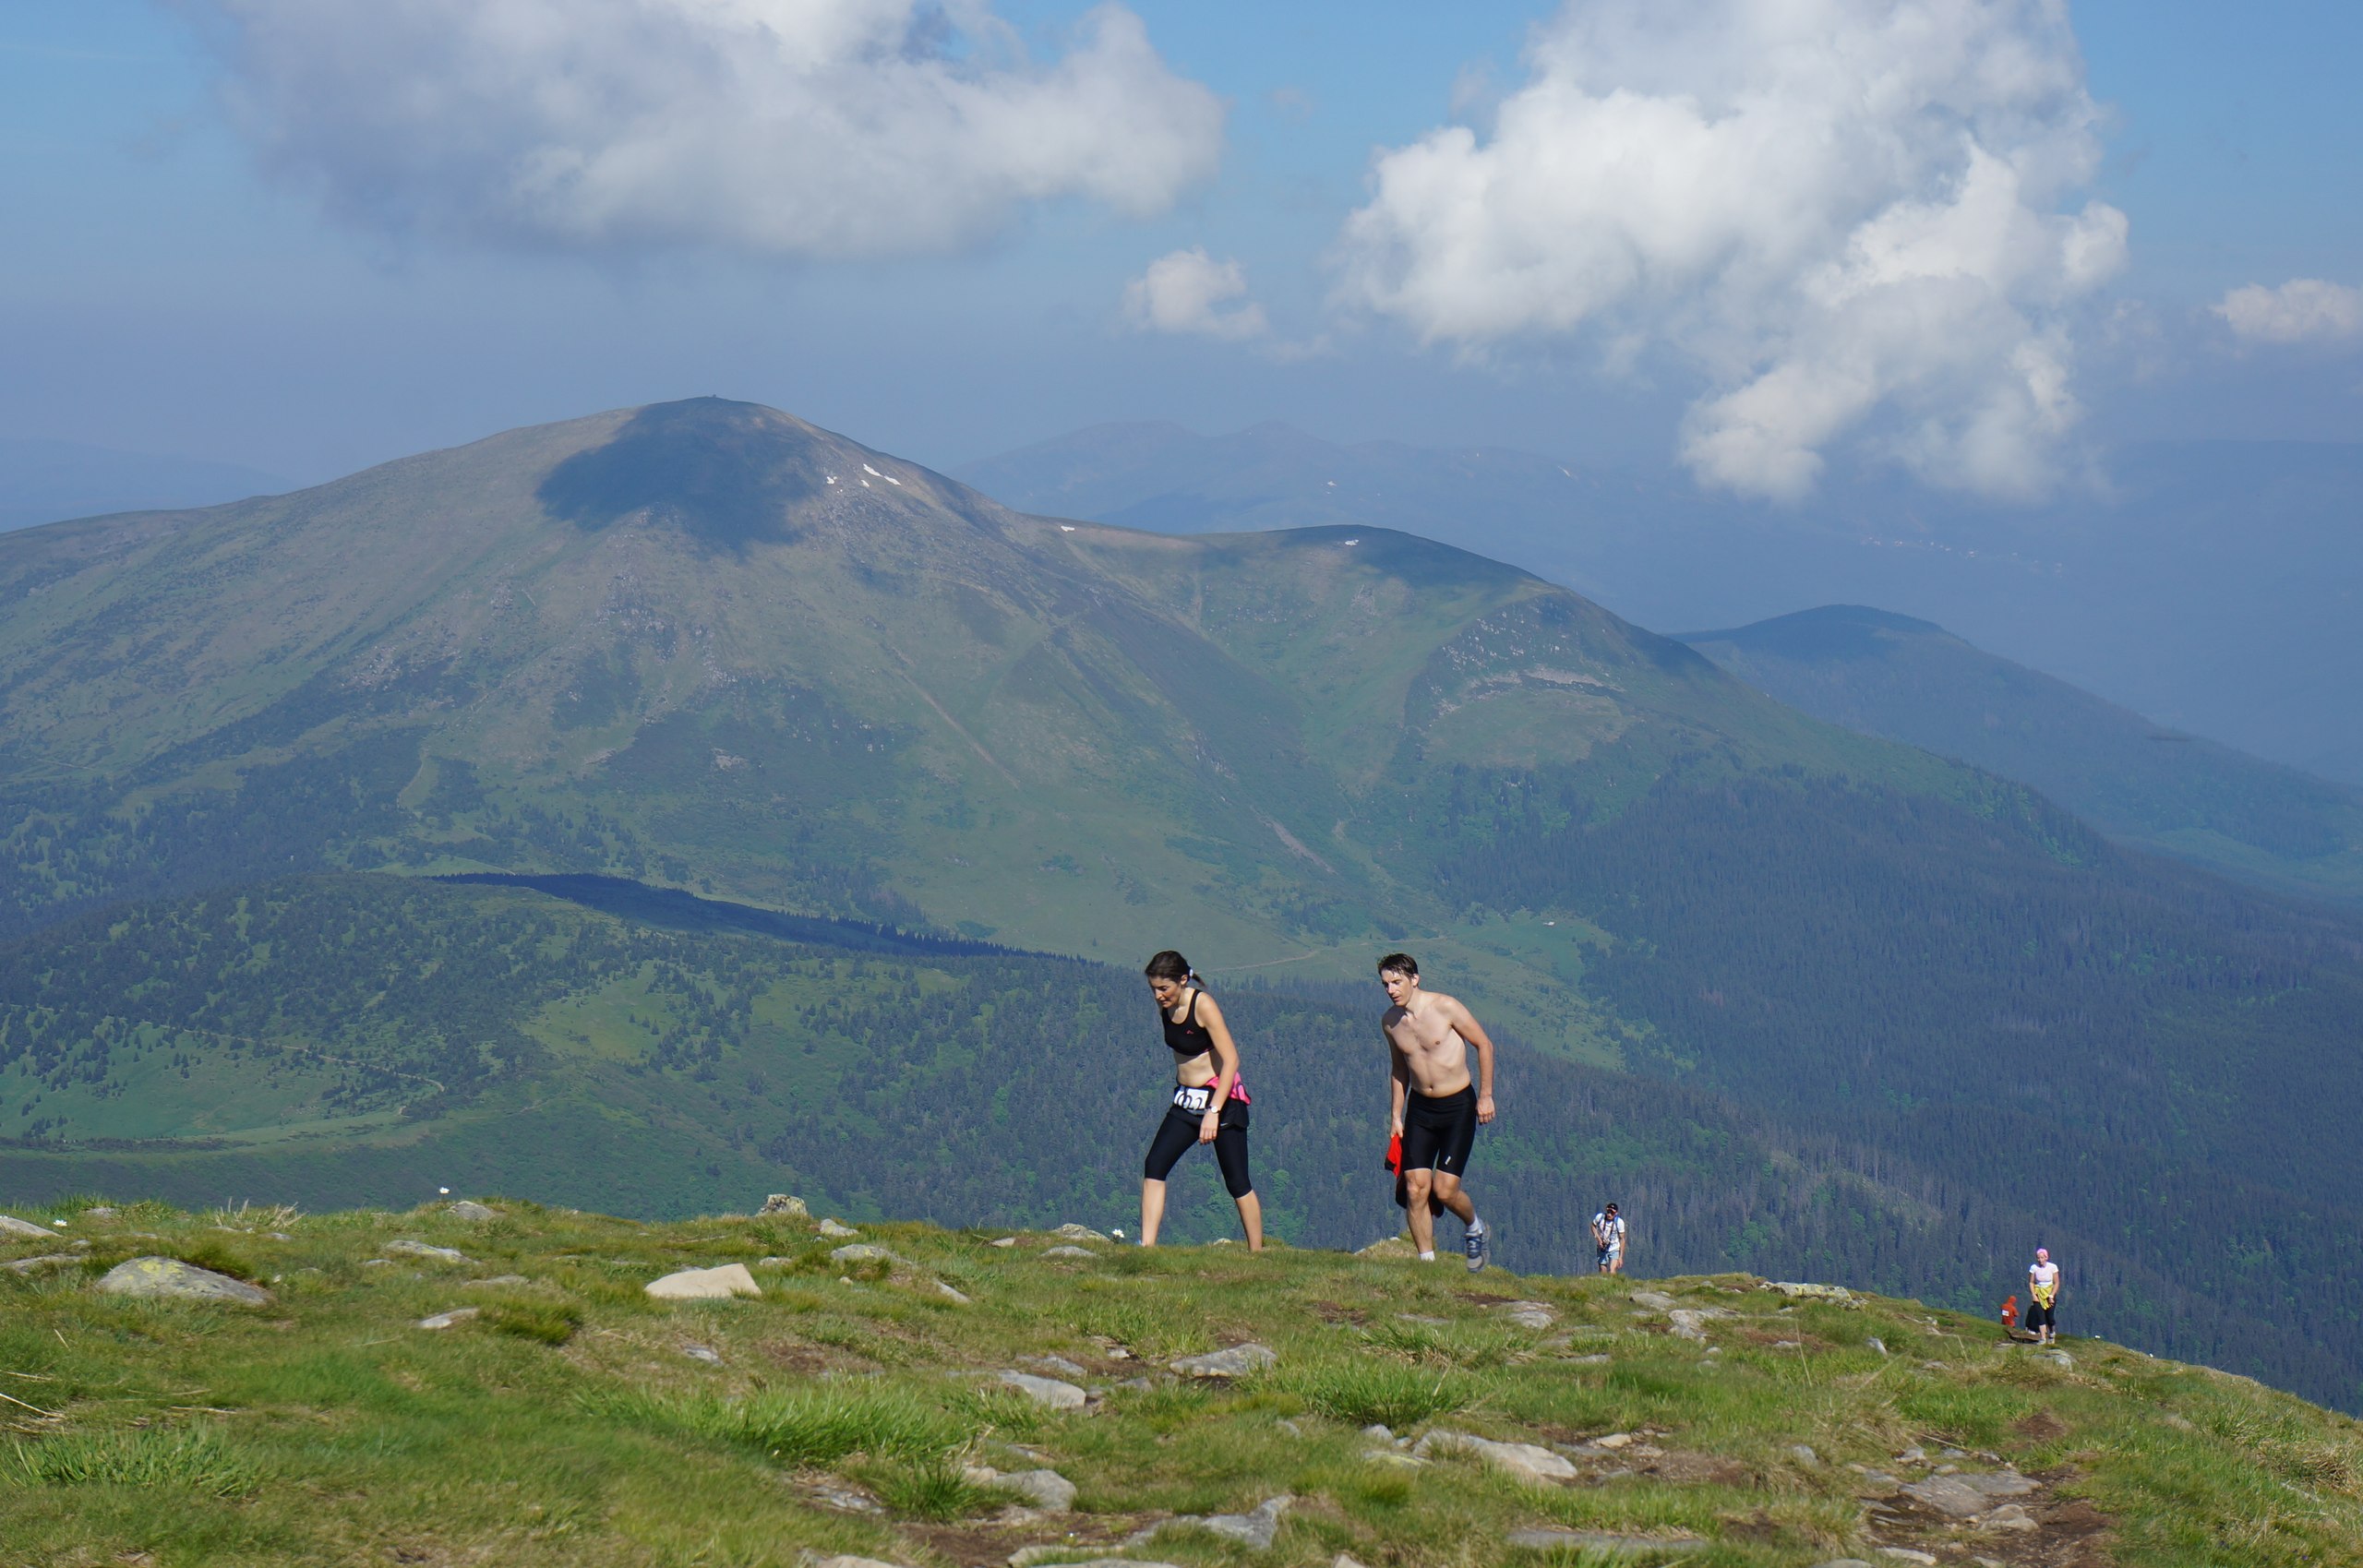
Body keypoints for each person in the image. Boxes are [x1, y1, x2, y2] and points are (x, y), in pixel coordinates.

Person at [1377, 952, 1496, 1270]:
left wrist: (1485, 1096)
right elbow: (1399, 1068)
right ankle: (1427, 1265)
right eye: (1386, 984)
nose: (1391, 990)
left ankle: (1474, 1227)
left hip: (1458, 1105)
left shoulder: (1445, 1007)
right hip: (1420, 1108)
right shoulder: (1391, 1022)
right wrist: (1395, 1115)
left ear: (1415, 979)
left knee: (1444, 1191)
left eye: (1397, 982)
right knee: (1416, 1187)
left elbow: (1484, 1044)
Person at [1137, 951, 1263, 1251]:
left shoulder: (1202, 1005)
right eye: (1153, 988)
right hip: (1185, 1101)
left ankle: (1257, 1253)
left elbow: (1231, 1060)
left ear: (1182, 980)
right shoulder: (1165, 1008)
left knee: (1237, 1181)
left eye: (1164, 988)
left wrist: (1213, 1112)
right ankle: (1147, 1248)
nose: (1158, 995)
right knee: (1155, 1165)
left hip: (1221, 1101)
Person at [2026, 1248, 2062, 1345]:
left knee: (2049, 1317)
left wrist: (2052, 1295)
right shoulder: (2034, 1268)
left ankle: (2051, 1333)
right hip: (2038, 1293)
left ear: (2046, 1257)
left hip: (2049, 1293)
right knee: (2040, 1316)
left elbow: (2056, 1282)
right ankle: (2042, 1338)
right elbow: (2031, 1282)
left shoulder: (2052, 1267)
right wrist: (2033, 1294)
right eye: (2038, 1258)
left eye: (2042, 1258)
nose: (2040, 1260)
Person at [1592, 1203, 1626, 1275]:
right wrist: (1598, 1239)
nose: (1609, 1214)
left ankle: (1613, 1284)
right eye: (1608, 1212)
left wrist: (1620, 1257)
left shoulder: (1619, 1222)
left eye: (1612, 1213)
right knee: (1603, 1271)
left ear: (1616, 1213)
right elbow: (1593, 1226)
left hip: (1614, 1248)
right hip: (1602, 1248)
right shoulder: (1600, 1217)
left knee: (1612, 1271)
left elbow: (1622, 1239)